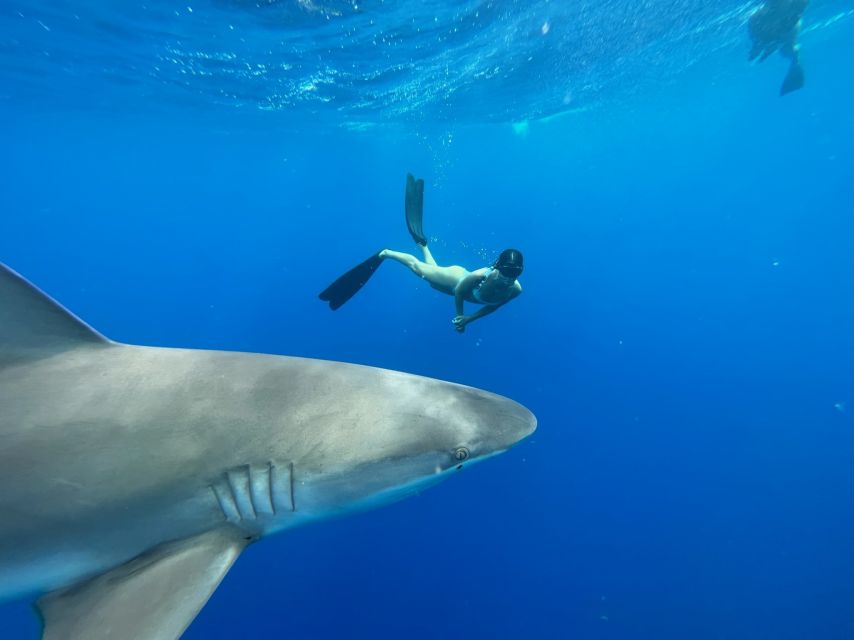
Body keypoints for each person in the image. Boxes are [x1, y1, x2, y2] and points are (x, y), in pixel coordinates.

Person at [319, 174, 523, 333]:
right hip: (455, 280)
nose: (509, 278)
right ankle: (386, 253)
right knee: (421, 271)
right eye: (506, 271)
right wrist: (460, 315)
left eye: (514, 274)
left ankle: (422, 244)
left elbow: (494, 306)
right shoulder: (480, 275)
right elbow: (460, 292)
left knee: (431, 279)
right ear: (497, 266)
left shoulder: (515, 290)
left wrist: (469, 319)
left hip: (461, 286)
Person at [748, 0, 809, 95]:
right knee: (785, 49)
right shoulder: (756, 17)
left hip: (785, 29)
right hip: (773, 30)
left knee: (786, 49)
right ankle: (795, 59)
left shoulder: (796, 6)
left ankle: (795, 59)